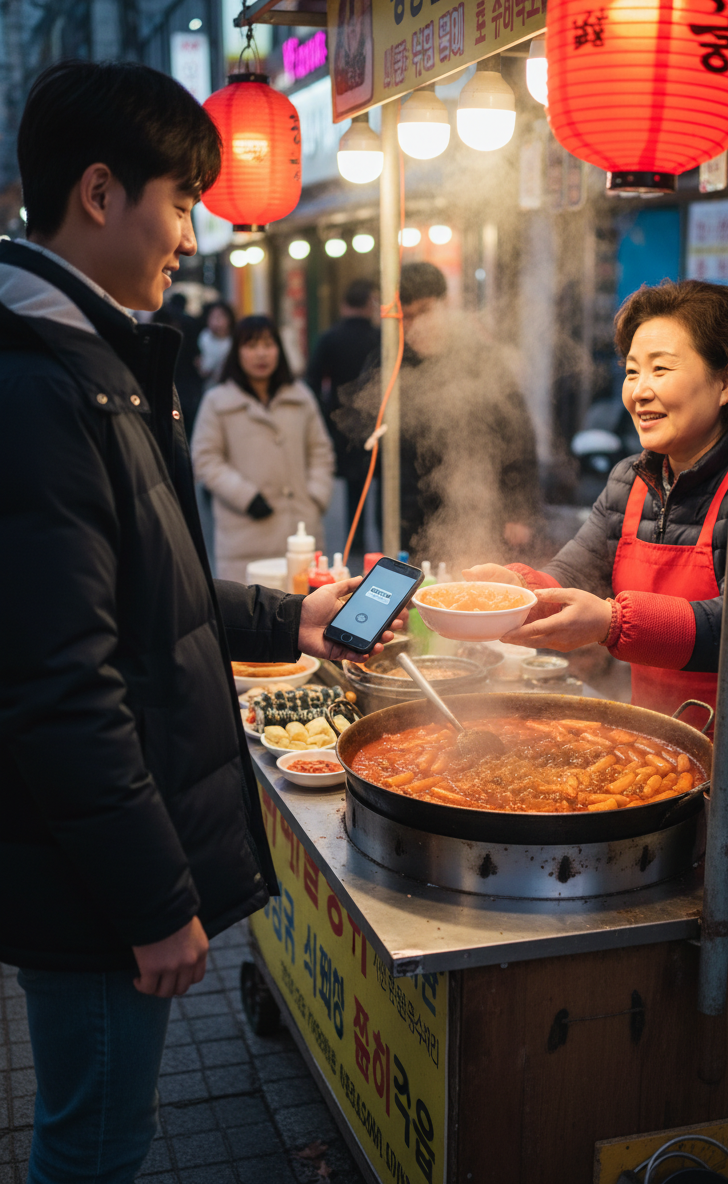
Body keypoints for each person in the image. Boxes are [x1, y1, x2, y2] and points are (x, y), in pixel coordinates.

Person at [0, 61, 403, 1184]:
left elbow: (150, 589)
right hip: (83, 883)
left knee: (101, 1132)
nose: (189, 232)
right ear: (98, 191)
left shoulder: (93, 357)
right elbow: (58, 684)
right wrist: (154, 898)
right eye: (180, 199)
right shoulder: (39, 388)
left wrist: (292, 615)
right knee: (93, 1143)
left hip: (84, 864)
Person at [467, 279, 728, 848]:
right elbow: (571, 577)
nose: (639, 390)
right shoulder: (631, 478)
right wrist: (514, 589)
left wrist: (611, 624)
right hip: (658, 749)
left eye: (660, 370)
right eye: (630, 371)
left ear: (727, 381)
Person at [338, 261, 540, 566]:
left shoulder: (481, 359)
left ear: (446, 304)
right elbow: (359, 433)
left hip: (477, 510)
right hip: (405, 516)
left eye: (426, 311)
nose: (418, 325)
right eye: (408, 316)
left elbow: (517, 436)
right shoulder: (387, 364)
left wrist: (518, 511)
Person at [191, 314, 335, 581]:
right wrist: (246, 497)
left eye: (268, 345)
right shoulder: (217, 401)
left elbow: (320, 450)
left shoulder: (300, 396)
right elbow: (205, 459)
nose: (261, 354)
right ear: (237, 352)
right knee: (249, 614)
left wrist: (316, 497)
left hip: (301, 529)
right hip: (245, 532)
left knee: (307, 611)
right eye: (251, 345)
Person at [305, 277, 380, 533]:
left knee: (354, 486)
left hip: (342, 421)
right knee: (383, 483)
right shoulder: (380, 338)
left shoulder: (329, 337)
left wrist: (327, 415)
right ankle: (385, 542)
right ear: (370, 303)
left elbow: (312, 381)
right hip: (379, 421)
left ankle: (355, 540)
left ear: (343, 304)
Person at [151, 290, 204, 427]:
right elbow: (196, 351)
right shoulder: (190, 321)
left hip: (165, 372)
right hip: (188, 377)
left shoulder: (161, 317)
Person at [198, 298, 235, 390]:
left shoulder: (235, 340)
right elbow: (204, 368)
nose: (216, 321)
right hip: (209, 388)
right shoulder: (204, 337)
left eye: (220, 317)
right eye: (212, 317)